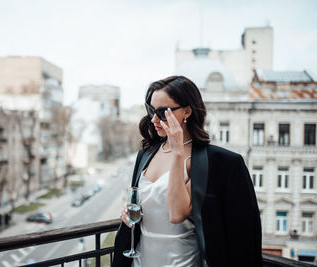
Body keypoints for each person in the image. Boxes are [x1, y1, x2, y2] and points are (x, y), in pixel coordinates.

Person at [112, 76, 262, 267]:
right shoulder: (146, 153)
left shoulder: (218, 162)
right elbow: (145, 202)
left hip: (182, 262)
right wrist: (129, 211)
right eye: (151, 110)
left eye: (163, 112)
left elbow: (176, 214)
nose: (154, 119)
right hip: (140, 261)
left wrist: (177, 153)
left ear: (187, 111)